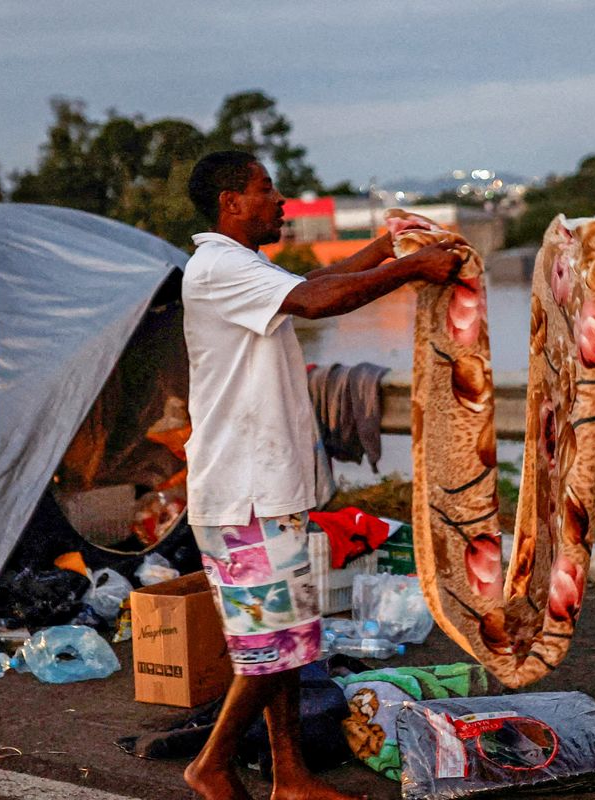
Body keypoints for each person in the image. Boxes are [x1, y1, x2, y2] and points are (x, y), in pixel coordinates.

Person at [177, 150, 461, 800]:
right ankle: (212, 765)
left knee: (281, 647)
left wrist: (385, 247)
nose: (279, 200)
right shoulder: (218, 266)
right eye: (266, 189)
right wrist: (412, 268)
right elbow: (314, 300)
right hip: (242, 495)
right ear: (230, 202)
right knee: (269, 647)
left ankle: (290, 776)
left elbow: (313, 279)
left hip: (266, 489)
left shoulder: (244, 266)